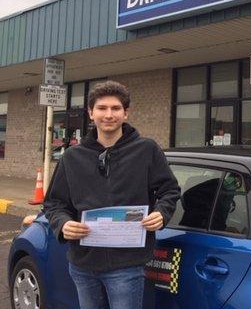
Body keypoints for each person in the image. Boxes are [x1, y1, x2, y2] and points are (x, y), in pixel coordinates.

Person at [44, 80, 180, 309]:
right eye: (102, 108)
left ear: (126, 113)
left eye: (116, 108)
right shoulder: (72, 157)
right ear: (90, 113)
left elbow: (170, 190)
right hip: (82, 264)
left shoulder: (147, 150)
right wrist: (63, 224)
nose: (109, 114)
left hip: (127, 265)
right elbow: (54, 203)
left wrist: (162, 213)